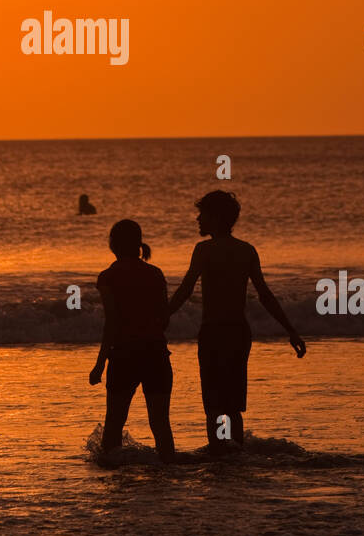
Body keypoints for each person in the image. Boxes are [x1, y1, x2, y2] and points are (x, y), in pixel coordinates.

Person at [167, 190, 306, 453]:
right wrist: (291, 330)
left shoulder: (204, 250)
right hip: (239, 334)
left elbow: (185, 291)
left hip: (213, 333)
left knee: (214, 405)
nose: (198, 219)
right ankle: (236, 457)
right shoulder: (246, 250)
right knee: (232, 404)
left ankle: (219, 455)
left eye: (203, 214)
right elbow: (265, 295)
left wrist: (161, 317)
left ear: (216, 218)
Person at [90, 219, 175, 462]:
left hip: (124, 356)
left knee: (114, 426)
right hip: (156, 354)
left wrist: (99, 364)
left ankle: (111, 480)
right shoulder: (155, 273)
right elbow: (164, 319)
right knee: (160, 425)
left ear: (112, 245)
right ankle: (168, 477)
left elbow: (112, 323)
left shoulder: (108, 277)